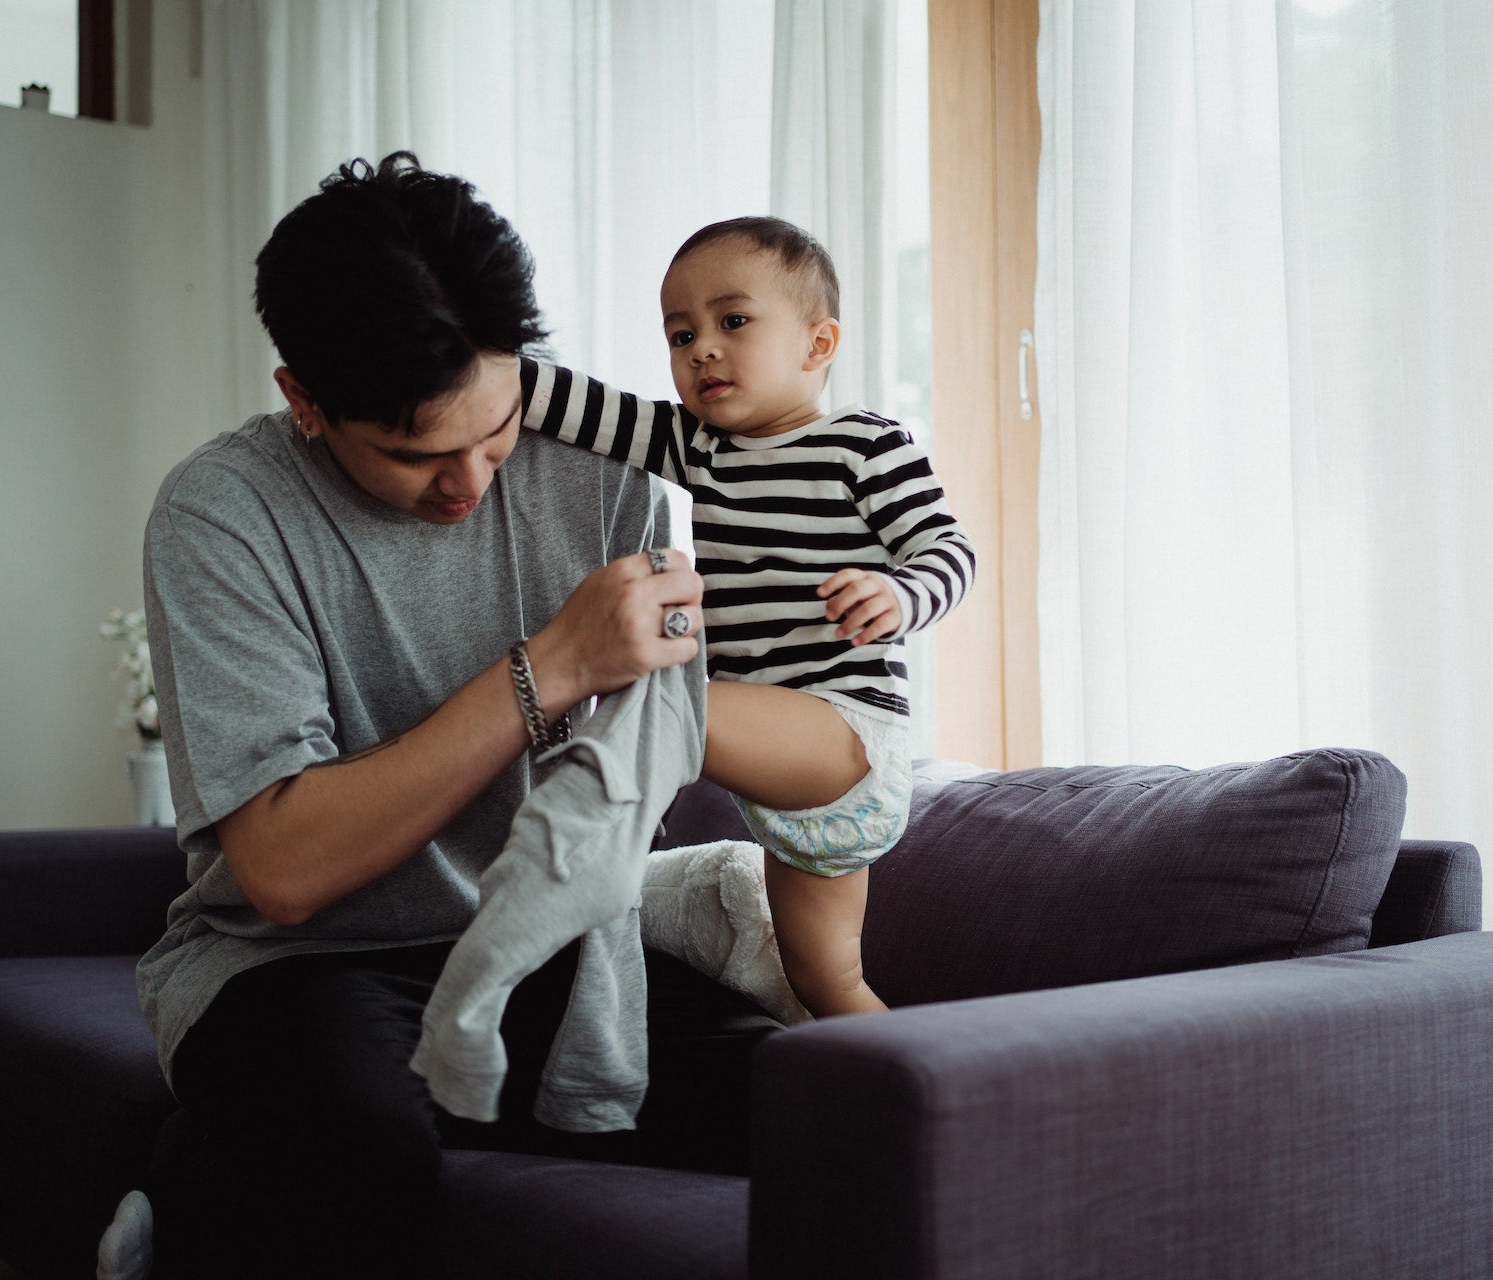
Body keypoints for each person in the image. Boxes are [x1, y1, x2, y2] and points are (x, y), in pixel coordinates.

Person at [101, 153, 771, 1280]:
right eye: (417, 454)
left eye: (497, 430)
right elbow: (284, 867)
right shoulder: (222, 513)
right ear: (303, 400)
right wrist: (549, 664)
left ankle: (209, 1183)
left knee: (802, 1100)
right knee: (361, 1138)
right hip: (294, 964)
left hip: (536, 940)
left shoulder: (607, 462)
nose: (471, 482)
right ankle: (207, 1199)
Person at [519, 216, 977, 1017]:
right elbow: (576, 407)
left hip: (840, 736)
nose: (701, 348)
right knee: (824, 983)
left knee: (661, 699)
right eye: (680, 333)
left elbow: (949, 550)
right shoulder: (698, 447)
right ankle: (923, 1101)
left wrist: (901, 595)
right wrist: (478, 368)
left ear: (817, 342)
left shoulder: (864, 447)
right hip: (789, 801)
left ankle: (573, 846)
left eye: (733, 322)